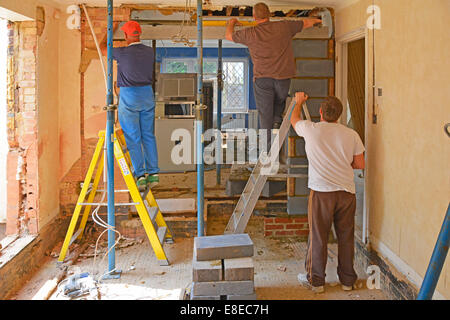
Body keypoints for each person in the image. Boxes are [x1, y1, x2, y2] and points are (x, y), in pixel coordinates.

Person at [290, 92, 365, 293]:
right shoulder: (351, 135)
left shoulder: (311, 129)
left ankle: (316, 282)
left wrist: (299, 102)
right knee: (346, 237)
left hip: (322, 193)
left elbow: (294, 119)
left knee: (318, 237)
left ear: (321, 112)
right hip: (346, 193)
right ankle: (348, 281)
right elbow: (360, 164)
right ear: (339, 115)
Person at [226, 2, 322, 133]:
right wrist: (318, 20)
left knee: (265, 115)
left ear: (254, 17)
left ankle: (268, 149)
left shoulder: (250, 33)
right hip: (283, 78)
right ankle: (277, 122)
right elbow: (305, 23)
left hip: (263, 80)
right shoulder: (284, 26)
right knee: (279, 103)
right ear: (269, 14)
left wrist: (232, 22)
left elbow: (229, 36)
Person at [100, 21, 159, 191]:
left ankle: (140, 175)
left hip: (130, 96)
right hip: (147, 95)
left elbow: (102, 48)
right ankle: (153, 174)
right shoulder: (149, 52)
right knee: (148, 135)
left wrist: (109, 30)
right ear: (139, 34)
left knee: (133, 137)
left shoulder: (122, 52)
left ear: (126, 36)